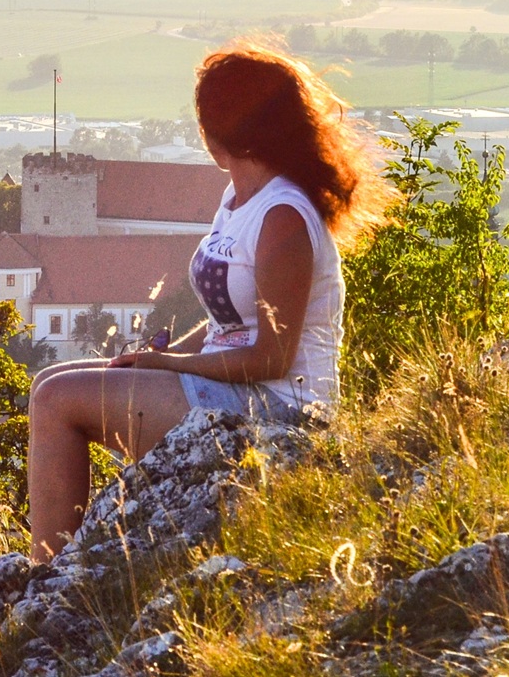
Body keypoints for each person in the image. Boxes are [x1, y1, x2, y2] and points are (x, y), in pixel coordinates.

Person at [25, 42, 392, 564]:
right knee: (47, 384)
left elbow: (273, 358)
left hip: (282, 411)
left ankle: (48, 571)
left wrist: (170, 365)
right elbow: (230, 318)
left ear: (213, 134)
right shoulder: (240, 198)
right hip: (235, 389)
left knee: (58, 400)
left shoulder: (281, 215)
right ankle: (56, 566)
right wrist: (163, 355)